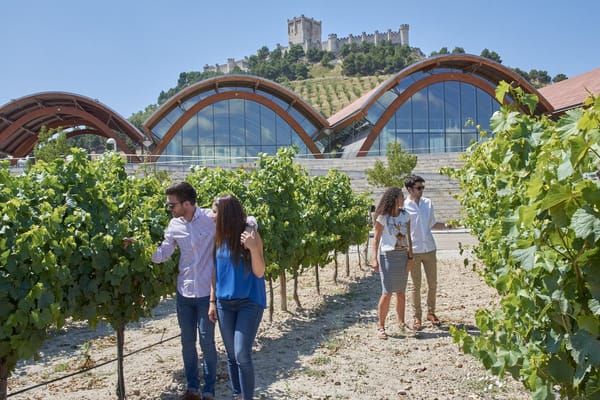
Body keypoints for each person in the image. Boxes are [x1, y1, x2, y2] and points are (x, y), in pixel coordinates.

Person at [151, 182, 217, 400]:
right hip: (184, 293)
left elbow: (244, 220)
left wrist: (250, 224)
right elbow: (163, 254)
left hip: (207, 294)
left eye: (172, 205)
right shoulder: (174, 226)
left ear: (187, 203)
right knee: (187, 342)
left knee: (207, 342)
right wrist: (142, 248)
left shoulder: (210, 218)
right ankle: (192, 388)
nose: (169, 209)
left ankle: (209, 390)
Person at [208, 194, 266, 400]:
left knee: (242, 353)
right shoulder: (218, 236)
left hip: (248, 302)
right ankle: (238, 395)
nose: (212, 216)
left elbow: (260, 272)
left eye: (215, 212)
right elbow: (215, 271)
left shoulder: (249, 235)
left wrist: (251, 248)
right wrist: (212, 301)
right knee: (231, 355)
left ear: (225, 214)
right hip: (224, 303)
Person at [404, 175, 449, 331]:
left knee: (433, 283)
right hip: (414, 251)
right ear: (410, 189)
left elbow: (432, 224)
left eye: (423, 187)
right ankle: (417, 317)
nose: (421, 190)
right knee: (415, 286)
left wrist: (447, 225)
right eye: (418, 188)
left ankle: (431, 312)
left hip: (429, 248)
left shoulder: (428, 203)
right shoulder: (404, 206)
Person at [372, 187, 413, 339]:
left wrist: (410, 258)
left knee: (401, 292)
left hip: (402, 256)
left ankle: (402, 323)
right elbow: (376, 239)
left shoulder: (405, 215)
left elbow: (409, 237)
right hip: (387, 256)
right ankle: (381, 326)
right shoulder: (383, 217)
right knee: (387, 292)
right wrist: (374, 259)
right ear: (395, 198)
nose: (404, 199)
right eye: (402, 196)